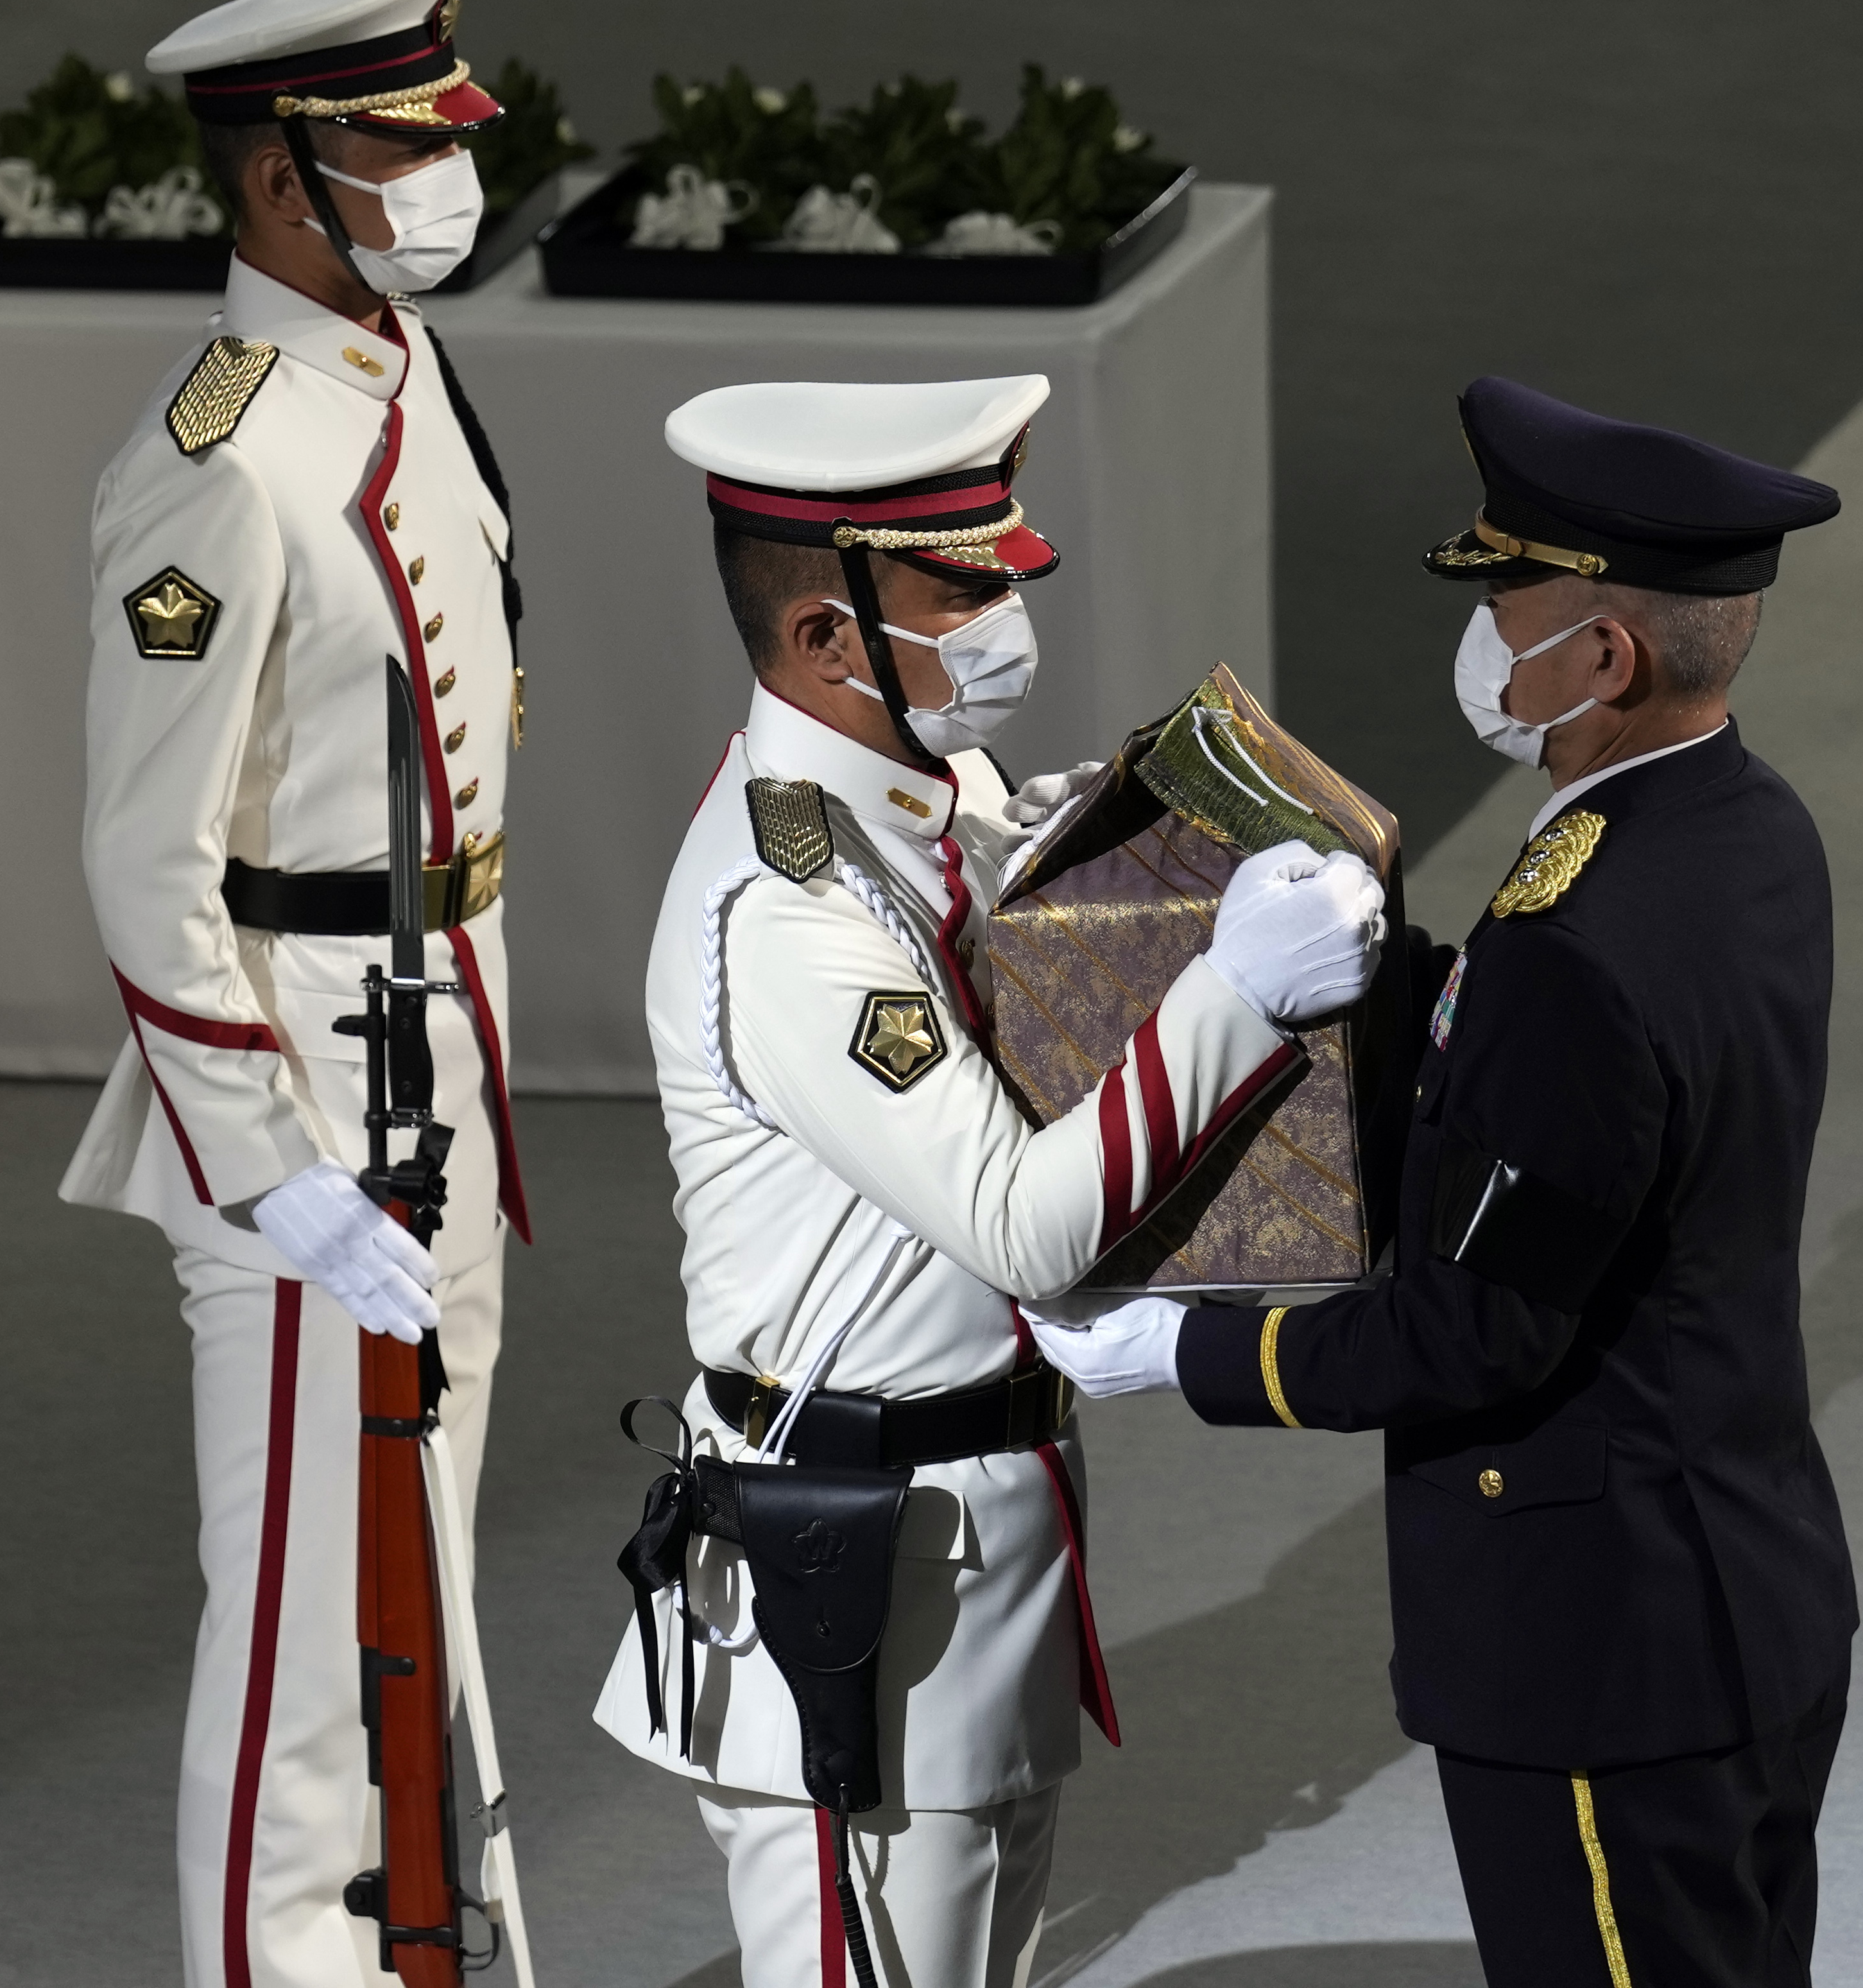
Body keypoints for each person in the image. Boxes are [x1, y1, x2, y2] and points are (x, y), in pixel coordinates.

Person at [1045, 376, 1856, 1987]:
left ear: (1604, 657)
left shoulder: (1579, 932)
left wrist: (1184, 1349)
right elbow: (1581, 1108)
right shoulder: (1740, 831)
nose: (1486, 632)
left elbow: (1473, 1329)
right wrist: (1388, 975)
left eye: (1509, 601)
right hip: (1736, 1585)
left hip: (1597, 1641)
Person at [594, 377, 1387, 1988]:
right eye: (959, 589)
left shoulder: (924, 791)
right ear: (827, 642)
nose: (1007, 613)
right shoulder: (790, 905)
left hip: (969, 1537)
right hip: (856, 1583)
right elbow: (1023, 1223)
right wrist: (1232, 988)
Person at [55, 0, 529, 1988]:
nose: (441, 177)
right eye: (394, 145)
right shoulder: (219, 456)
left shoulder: (392, 365)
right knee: (294, 1649)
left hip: (439, 1060)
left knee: (410, 1589)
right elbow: (141, 862)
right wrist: (269, 1163)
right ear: (277, 183)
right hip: (311, 1093)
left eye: (441, 132)